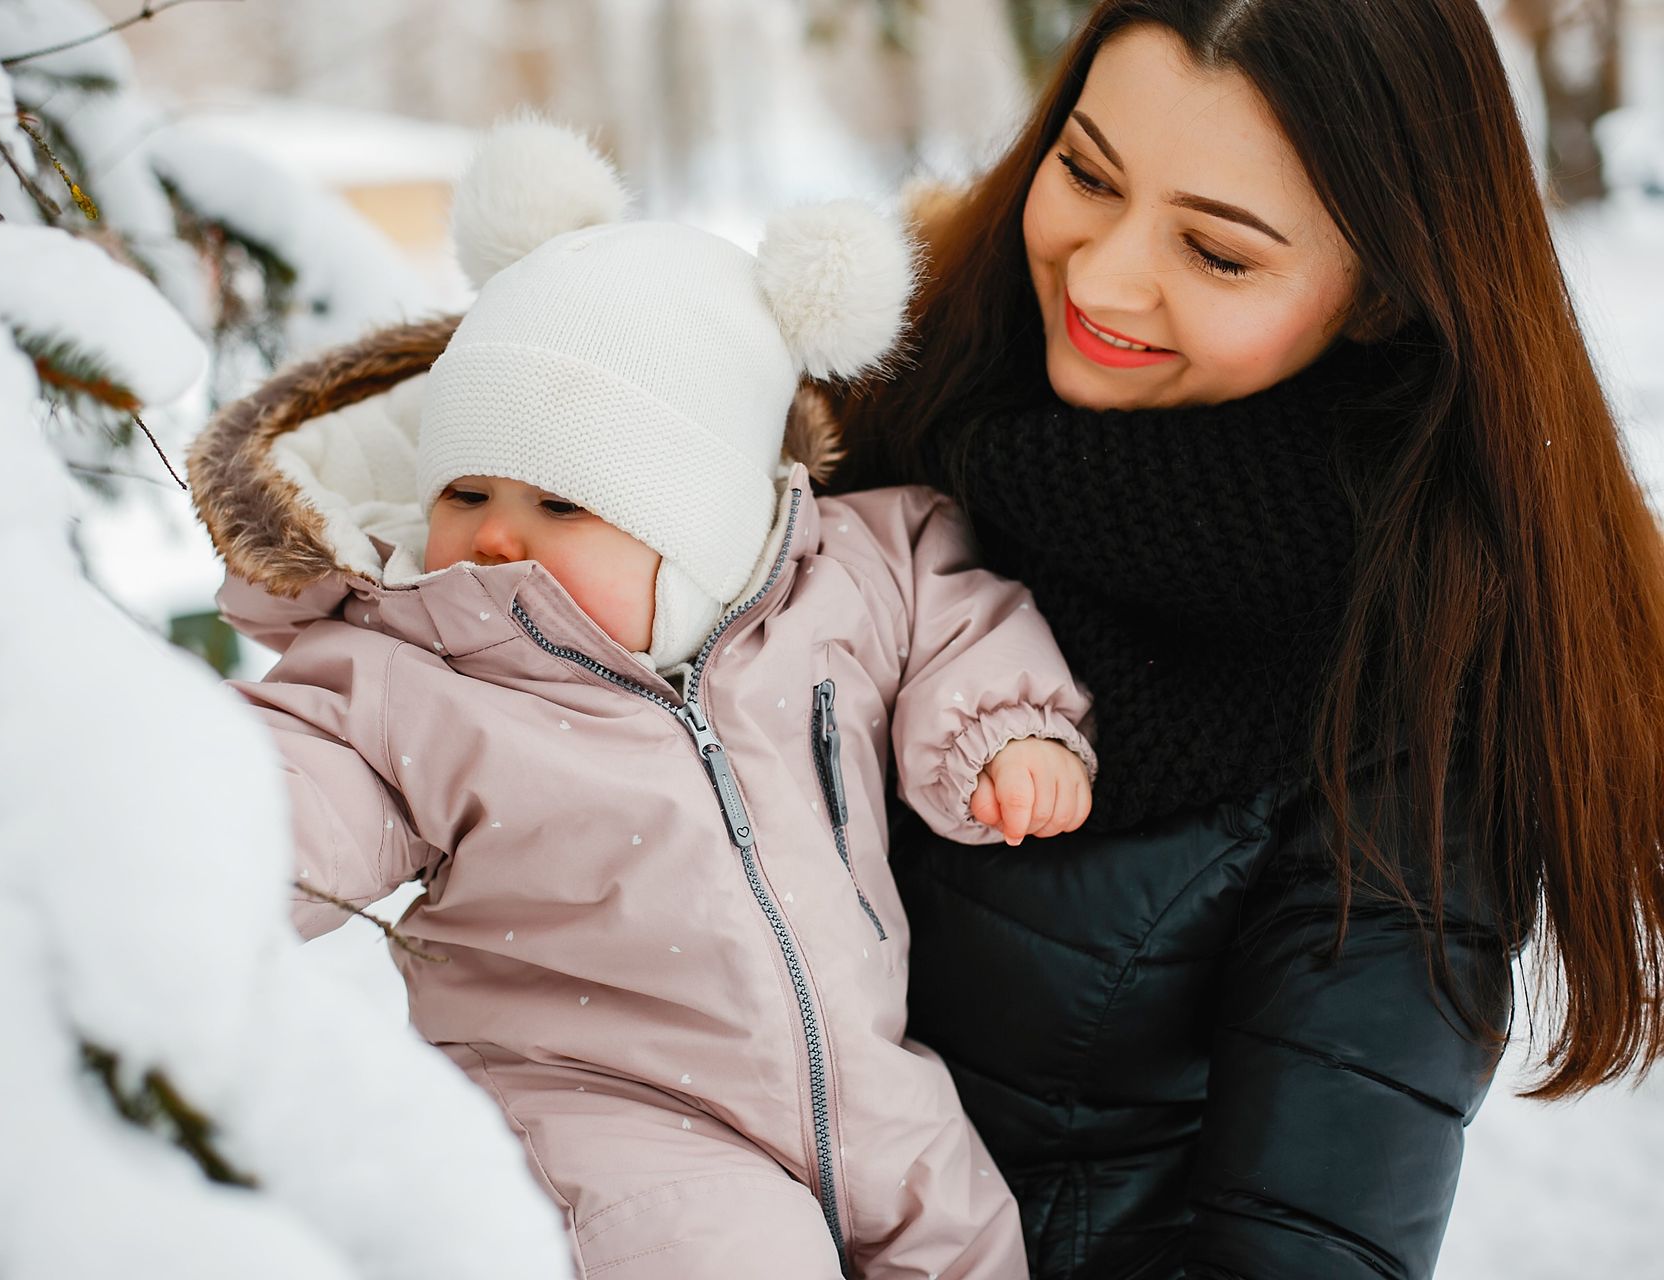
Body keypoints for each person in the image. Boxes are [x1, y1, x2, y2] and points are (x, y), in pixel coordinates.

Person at [824, 1, 1664, 1277]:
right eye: (1087, 172)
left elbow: (1310, 1239)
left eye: (1218, 253)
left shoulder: (1409, 673)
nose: (1102, 277)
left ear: (1382, 293)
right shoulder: (877, 402)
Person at [189, 119, 1096, 1278]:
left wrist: (999, 726)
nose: (497, 533)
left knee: (969, 1241)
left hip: (866, 1083)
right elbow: (296, 774)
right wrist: (184, 848)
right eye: (465, 489)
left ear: (709, 517)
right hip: (605, 1113)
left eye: (567, 504)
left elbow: (948, 597)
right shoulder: (421, 672)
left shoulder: (832, 581)